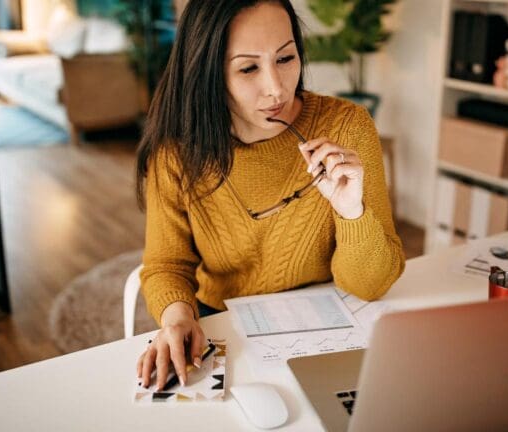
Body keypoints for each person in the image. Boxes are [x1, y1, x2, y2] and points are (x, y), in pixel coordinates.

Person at [135, 0, 406, 391]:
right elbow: (166, 264)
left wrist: (351, 212)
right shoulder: (176, 154)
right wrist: (178, 318)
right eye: (248, 68)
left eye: (286, 58)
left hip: (331, 321)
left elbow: (370, 286)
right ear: (208, 73)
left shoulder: (347, 128)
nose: (276, 88)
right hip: (222, 322)